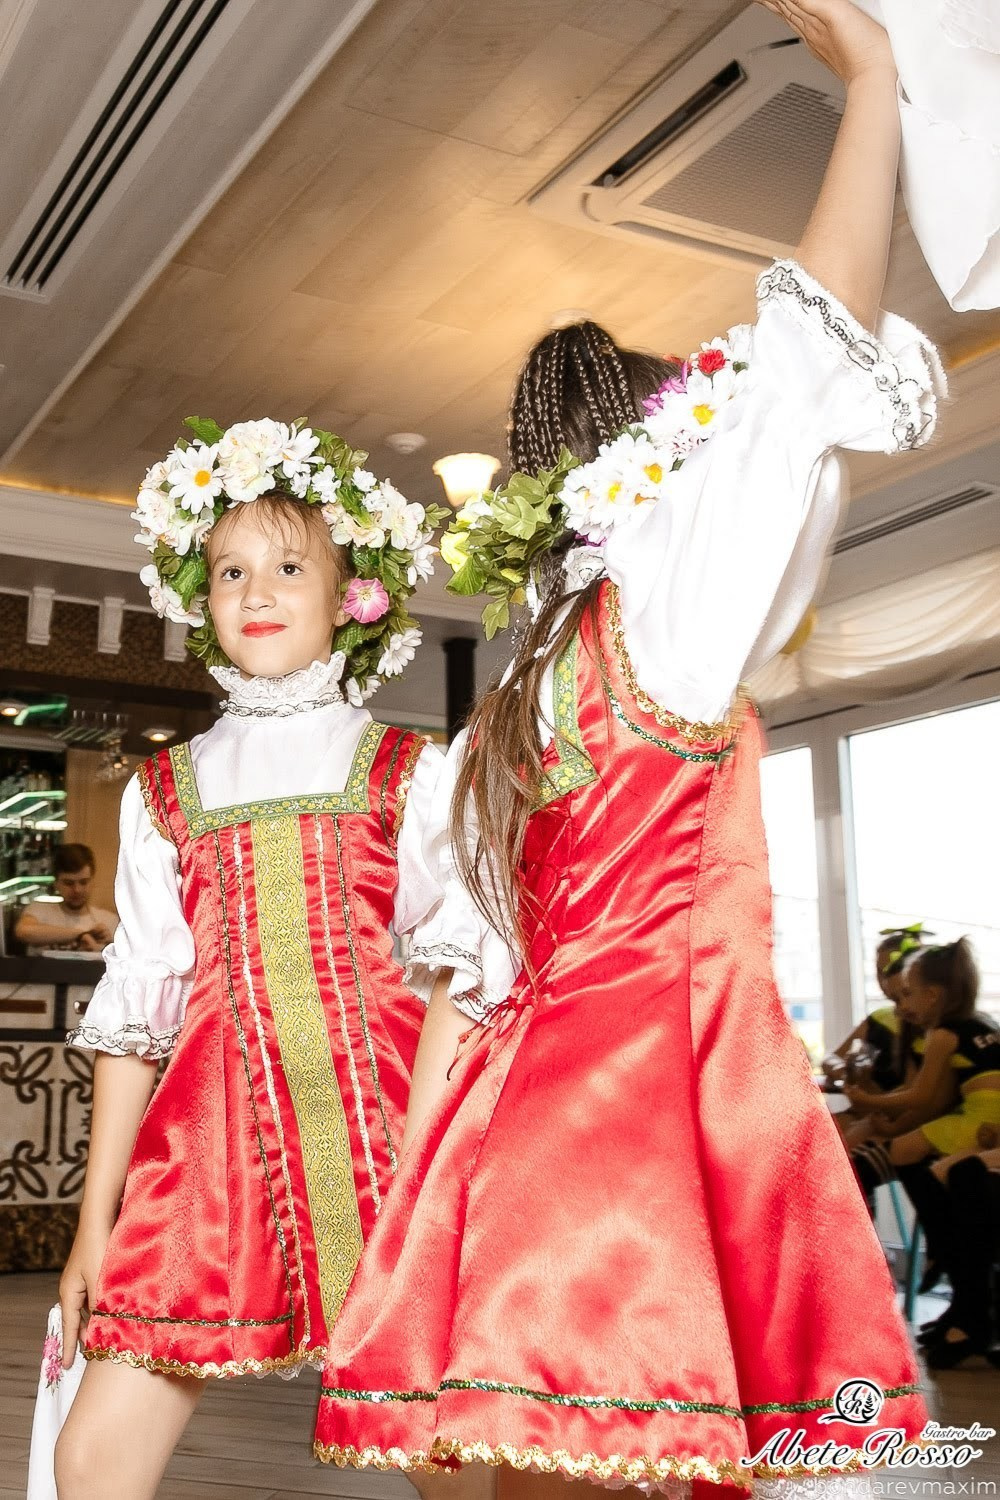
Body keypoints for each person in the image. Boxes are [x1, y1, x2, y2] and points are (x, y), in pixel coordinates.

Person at [314, 0, 943, 1490]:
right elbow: (810, 353)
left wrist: (417, 1218)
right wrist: (870, 83)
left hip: (504, 1127)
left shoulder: (498, 723)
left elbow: (463, 996)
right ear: (653, 455)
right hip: (655, 1108)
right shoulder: (661, 612)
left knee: (514, 1463)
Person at [46, 417, 448, 1500]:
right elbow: (137, 1019)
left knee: (452, 1459)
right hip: (207, 1151)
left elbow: (468, 983)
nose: (256, 590)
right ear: (199, 596)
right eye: (230, 569)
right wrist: (94, 1232)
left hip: (398, 1141)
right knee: (91, 1457)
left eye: (288, 565)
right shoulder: (160, 792)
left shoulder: (414, 770)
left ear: (351, 594)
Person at [847, 940, 1000, 1288]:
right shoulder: (980, 1023)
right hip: (983, 1119)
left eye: (907, 995)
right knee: (899, 1153)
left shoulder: (943, 1035)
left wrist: (869, 1103)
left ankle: (941, 1248)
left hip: (980, 1121)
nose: (902, 1007)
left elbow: (923, 1094)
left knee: (902, 1152)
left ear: (931, 995)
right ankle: (941, 1250)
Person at [15, 844, 117, 954]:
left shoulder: (109, 921)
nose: (77, 890)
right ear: (56, 884)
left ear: (92, 881)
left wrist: (105, 949)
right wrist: (81, 934)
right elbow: (24, 932)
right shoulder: (39, 910)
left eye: (83, 882)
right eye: (68, 883)